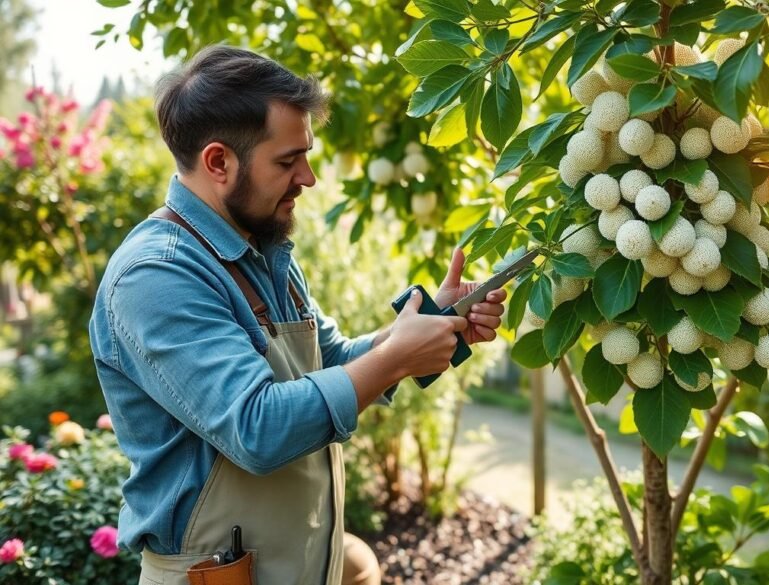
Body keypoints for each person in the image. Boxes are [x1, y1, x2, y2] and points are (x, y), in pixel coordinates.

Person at [88, 45, 507, 585]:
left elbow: (333, 360)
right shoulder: (155, 277)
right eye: (288, 161)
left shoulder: (264, 252)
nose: (308, 178)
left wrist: (433, 323)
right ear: (219, 162)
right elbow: (256, 428)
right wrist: (396, 357)